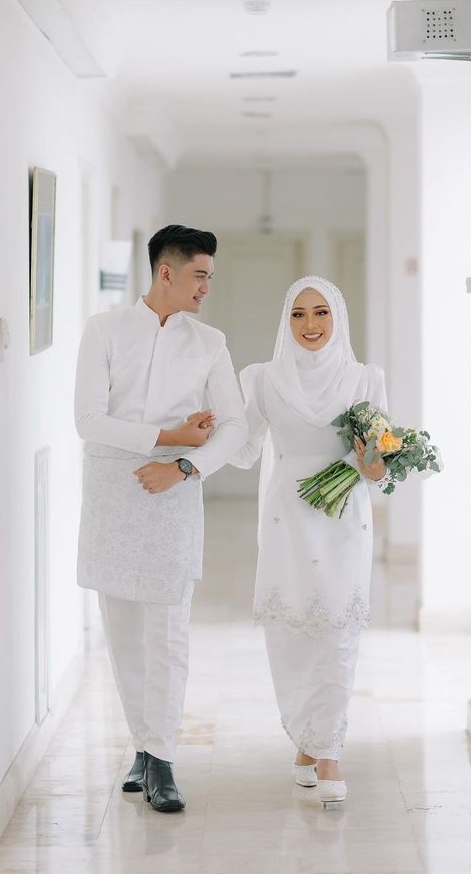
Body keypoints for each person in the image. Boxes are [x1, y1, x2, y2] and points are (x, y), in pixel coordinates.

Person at [74, 224, 247, 813]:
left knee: (168, 631)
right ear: (165, 272)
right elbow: (89, 420)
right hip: (112, 491)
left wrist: (184, 466)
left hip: (174, 492)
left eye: (211, 277)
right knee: (123, 631)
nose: (206, 287)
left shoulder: (210, 343)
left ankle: (164, 757)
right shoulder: (103, 331)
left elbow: (234, 426)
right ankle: (142, 748)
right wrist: (169, 434)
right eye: (200, 275)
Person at [231, 275, 388, 807]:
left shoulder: (364, 379)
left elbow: (378, 468)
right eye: (298, 314)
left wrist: (372, 466)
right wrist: (198, 430)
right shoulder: (263, 379)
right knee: (292, 629)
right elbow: (244, 447)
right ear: (285, 321)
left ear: (337, 317)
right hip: (287, 518)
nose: (310, 325)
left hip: (344, 516)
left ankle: (328, 751)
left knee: (338, 629)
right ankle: (306, 737)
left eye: (320, 312)